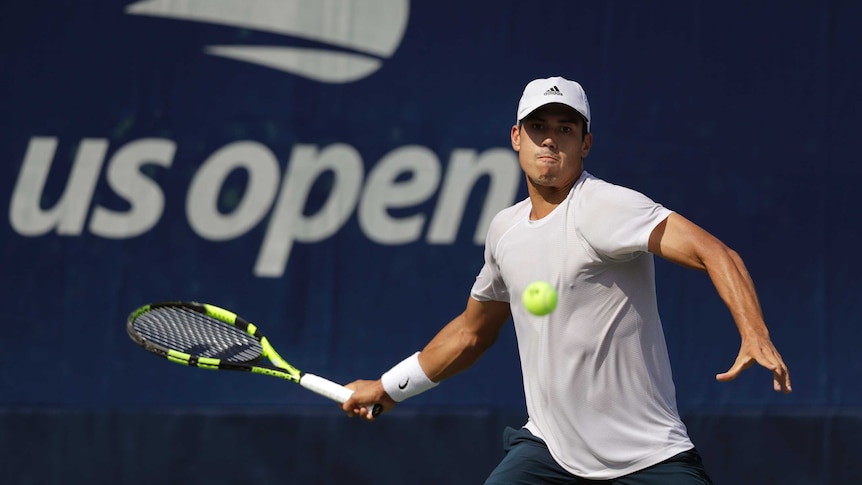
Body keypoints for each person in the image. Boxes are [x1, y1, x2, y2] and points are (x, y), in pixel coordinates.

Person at [342, 76, 791, 484]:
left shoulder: (606, 207)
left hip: (649, 457)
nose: (550, 140)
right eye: (538, 127)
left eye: (565, 129)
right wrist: (388, 387)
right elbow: (470, 334)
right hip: (550, 454)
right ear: (517, 138)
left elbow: (716, 253)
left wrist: (755, 333)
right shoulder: (505, 230)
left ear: (586, 143)